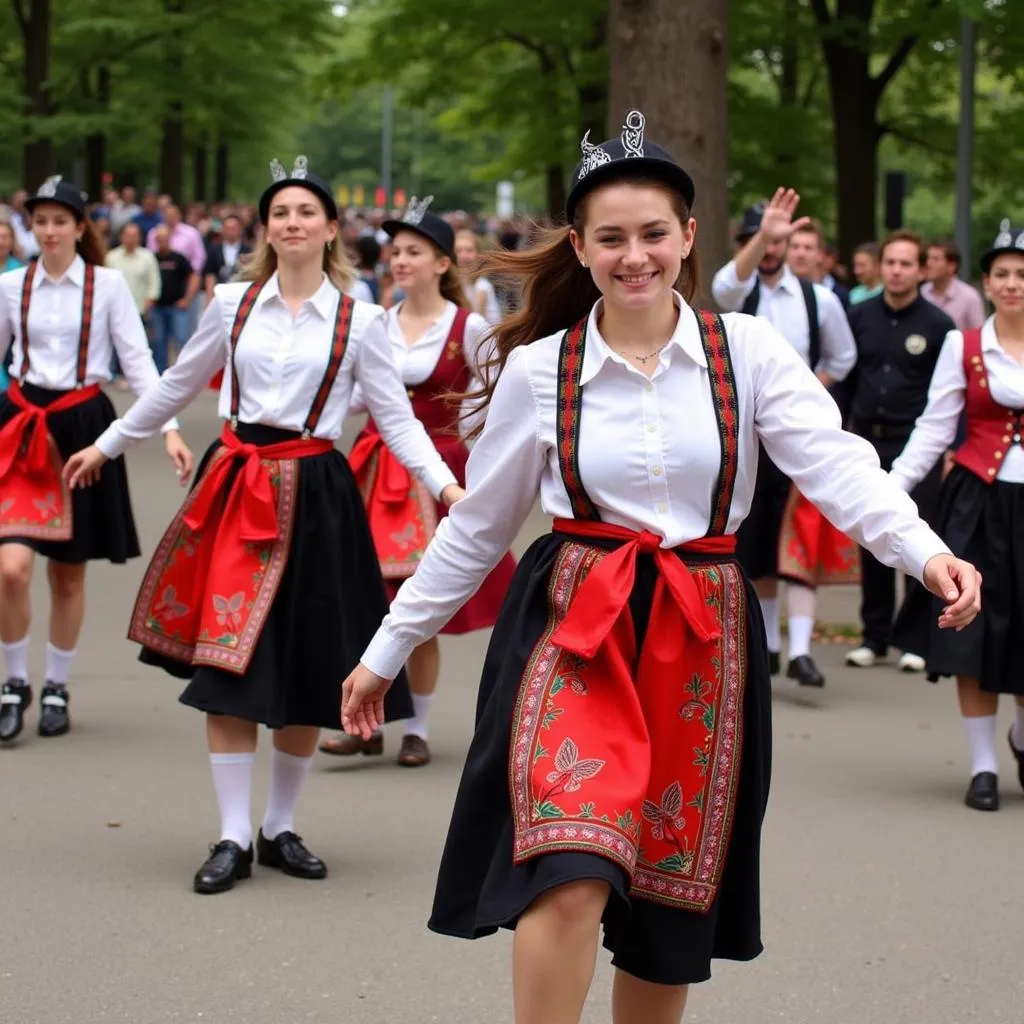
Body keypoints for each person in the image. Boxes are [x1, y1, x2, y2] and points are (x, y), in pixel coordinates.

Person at [338, 113, 980, 1024]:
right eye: (610, 238)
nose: (633, 255)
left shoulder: (746, 351)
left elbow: (836, 465)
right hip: (576, 628)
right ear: (580, 246)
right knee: (565, 870)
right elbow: (478, 527)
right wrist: (385, 650)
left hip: (702, 636)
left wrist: (926, 553)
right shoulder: (541, 371)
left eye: (652, 234)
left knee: (668, 900)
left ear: (687, 238)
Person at [62, 156, 465, 894]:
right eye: (280, 212)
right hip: (236, 481)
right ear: (266, 228)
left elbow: (395, 417)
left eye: (306, 212)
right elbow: (178, 384)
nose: (292, 223)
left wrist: (445, 486)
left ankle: (280, 825)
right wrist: (109, 443)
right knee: (228, 662)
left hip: (315, 494)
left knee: (308, 663)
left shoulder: (361, 318)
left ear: (331, 228)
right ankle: (231, 834)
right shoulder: (231, 304)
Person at [319, 199, 516, 767]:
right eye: (395, 253)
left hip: (436, 471)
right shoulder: (375, 322)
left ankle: (419, 729)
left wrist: (471, 451)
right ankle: (367, 723)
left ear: (442, 263)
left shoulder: (469, 327)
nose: (399, 262)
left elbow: (497, 398)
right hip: (373, 466)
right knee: (366, 598)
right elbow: (357, 396)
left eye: (413, 252)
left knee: (417, 602)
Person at [0, 175, 191, 744]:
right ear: (30, 228)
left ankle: (56, 684)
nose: (51, 231)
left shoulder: (105, 286)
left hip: (85, 427)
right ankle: (13, 681)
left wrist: (171, 430)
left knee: (68, 572)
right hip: (21, 425)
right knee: (10, 567)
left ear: (80, 227)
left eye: (62, 220)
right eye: (41, 221)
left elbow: (138, 362)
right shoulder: (12, 287)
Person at [890, 222, 1024, 813]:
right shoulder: (963, 346)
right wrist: (888, 489)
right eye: (1003, 274)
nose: (1013, 284)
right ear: (987, 283)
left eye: (1022, 275)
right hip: (978, 500)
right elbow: (935, 427)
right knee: (974, 627)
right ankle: (985, 766)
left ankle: (1022, 738)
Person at [712, 199, 858, 688]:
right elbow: (724, 288)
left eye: (777, 242)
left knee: (800, 535)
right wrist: (760, 239)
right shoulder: (738, 297)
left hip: (798, 433)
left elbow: (843, 355)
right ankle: (771, 647)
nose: (771, 251)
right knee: (756, 542)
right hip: (748, 436)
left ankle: (799, 650)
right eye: (760, 242)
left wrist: (810, 385)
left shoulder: (820, 300)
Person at [844, 230, 955, 671]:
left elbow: (945, 397)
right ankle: (874, 635)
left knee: (916, 531)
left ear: (922, 270)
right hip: (866, 438)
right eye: (890, 261)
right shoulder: (859, 316)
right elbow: (848, 377)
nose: (896, 270)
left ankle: (916, 638)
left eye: (906, 263)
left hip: (916, 443)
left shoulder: (938, 325)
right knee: (872, 535)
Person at [922, 239, 986, 332]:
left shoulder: (969, 297)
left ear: (952, 266)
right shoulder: (922, 292)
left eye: (935, 259)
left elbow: (978, 336)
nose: (928, 263)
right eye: (927, 259)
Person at [455, 228, 503, 324]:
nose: (463, 256)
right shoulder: (455, 283)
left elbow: (470, 322)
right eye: (458, 251)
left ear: (478, 254)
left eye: (469, 250)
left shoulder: (481, 286)